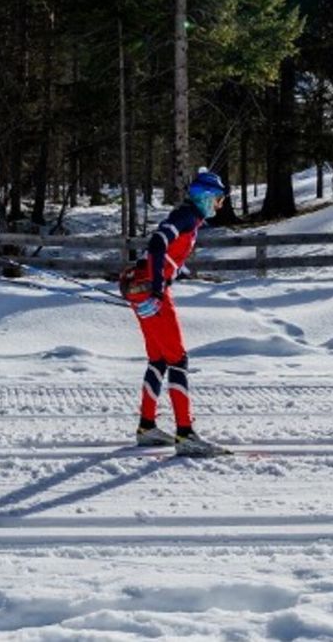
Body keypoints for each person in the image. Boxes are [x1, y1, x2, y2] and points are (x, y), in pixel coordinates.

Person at [119, 168, 235, 457]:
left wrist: (174, 271)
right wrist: (159, 287)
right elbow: (158, 243)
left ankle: (147, 428)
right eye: (218, 199)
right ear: (206, 198)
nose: (219, 205)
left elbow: (164, 252)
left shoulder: (189, 218)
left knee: (158, 358)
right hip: (152, 292)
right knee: (178, 359)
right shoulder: (187, 217)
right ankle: (185, 434)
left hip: (141, 287)